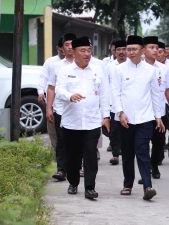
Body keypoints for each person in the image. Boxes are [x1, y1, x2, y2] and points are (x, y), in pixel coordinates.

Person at [55, 36, 111, 199]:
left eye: (89, 50)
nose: (87, 54)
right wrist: (69, 96)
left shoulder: (97, 70)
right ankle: (73, 182)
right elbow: (59, 90)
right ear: (74, 51)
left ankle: (90, 188)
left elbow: (105, 95)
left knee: (90, 156)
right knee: (72, 158)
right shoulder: (65, 71)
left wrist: (106, 116)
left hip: (92, 122)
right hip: (71, 122)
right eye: (83, 50)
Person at [111, 35, 164, 200]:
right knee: (127, 153)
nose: (131, 52)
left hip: (145, 119)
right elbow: (115, 93)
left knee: (142, 151)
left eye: (134, 49)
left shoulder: (151, 71)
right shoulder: (118, 70)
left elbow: (155, 95)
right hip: (125, 119)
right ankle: (128, 184)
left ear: (142, 51)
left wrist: (158, 117)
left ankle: (148, 186)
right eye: (128, 49)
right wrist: (120, 112)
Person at [39, 33, 76, 181]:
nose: (69, 47)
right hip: (60, 109)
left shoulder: (84, 65)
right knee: (61, 140)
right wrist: (49, 108)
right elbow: (51, 88)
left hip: (77, 109)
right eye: (66, 45)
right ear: (62, 47)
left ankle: (75, 167)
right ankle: (61, 170)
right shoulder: (56, 66)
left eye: (72, 44)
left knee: (75, 140)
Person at [142, 36, 169, 179]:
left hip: (160, 113)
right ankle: (145, 170)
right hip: (143, 113)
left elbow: (168, 90)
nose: (155, 50)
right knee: (142, 144)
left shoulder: (164, 69)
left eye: (156, 48)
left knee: (159, 143)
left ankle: (154, 165)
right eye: (151, 47)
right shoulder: (138, 67)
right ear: (144, 50)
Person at [105, 40, 127, 165]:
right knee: (114, 131)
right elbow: (105, 85)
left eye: (123, 49)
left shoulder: (131, 65)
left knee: (127, 130)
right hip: (112, 104)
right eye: (118, 50)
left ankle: (126, 151)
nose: (121, 52)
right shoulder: (109, 66)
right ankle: (115, 155)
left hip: (128, 104)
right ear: (114, 51)